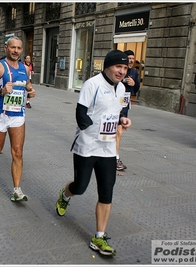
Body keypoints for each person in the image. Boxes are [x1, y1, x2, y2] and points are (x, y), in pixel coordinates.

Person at [55, 50, 131, 256]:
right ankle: (65, 195)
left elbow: (121, 109)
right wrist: (93, 128)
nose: (122, 71)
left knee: (107, 192)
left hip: (108, 149)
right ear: (108, 66)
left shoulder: (122, 87)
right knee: (80, 187)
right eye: (118, 67)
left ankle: (99, 236)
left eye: (125, 68)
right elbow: (81, 113)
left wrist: (123, 119)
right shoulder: (92, 84)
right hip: (87, 145)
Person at [0, 37, 36, 202]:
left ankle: (17, 190)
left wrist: (31, 90)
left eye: (19, 48)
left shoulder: (24, 68)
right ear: (6, 48)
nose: (16, 51)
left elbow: (27, 84)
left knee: (17, 152)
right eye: (13, 47)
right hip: (0, 114)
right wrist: (2, 91)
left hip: (18, 115)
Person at [115, 50, 140, 171]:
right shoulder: (118, 72)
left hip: (124, 104)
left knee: (119, 132)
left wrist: (134, 83)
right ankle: (114, 158)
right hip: (114, 103)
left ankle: (115, 157)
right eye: (128, 58)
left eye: (132, 58)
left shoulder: (134, 72)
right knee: (116, 132)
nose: (131, 60)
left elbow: (137, 88)